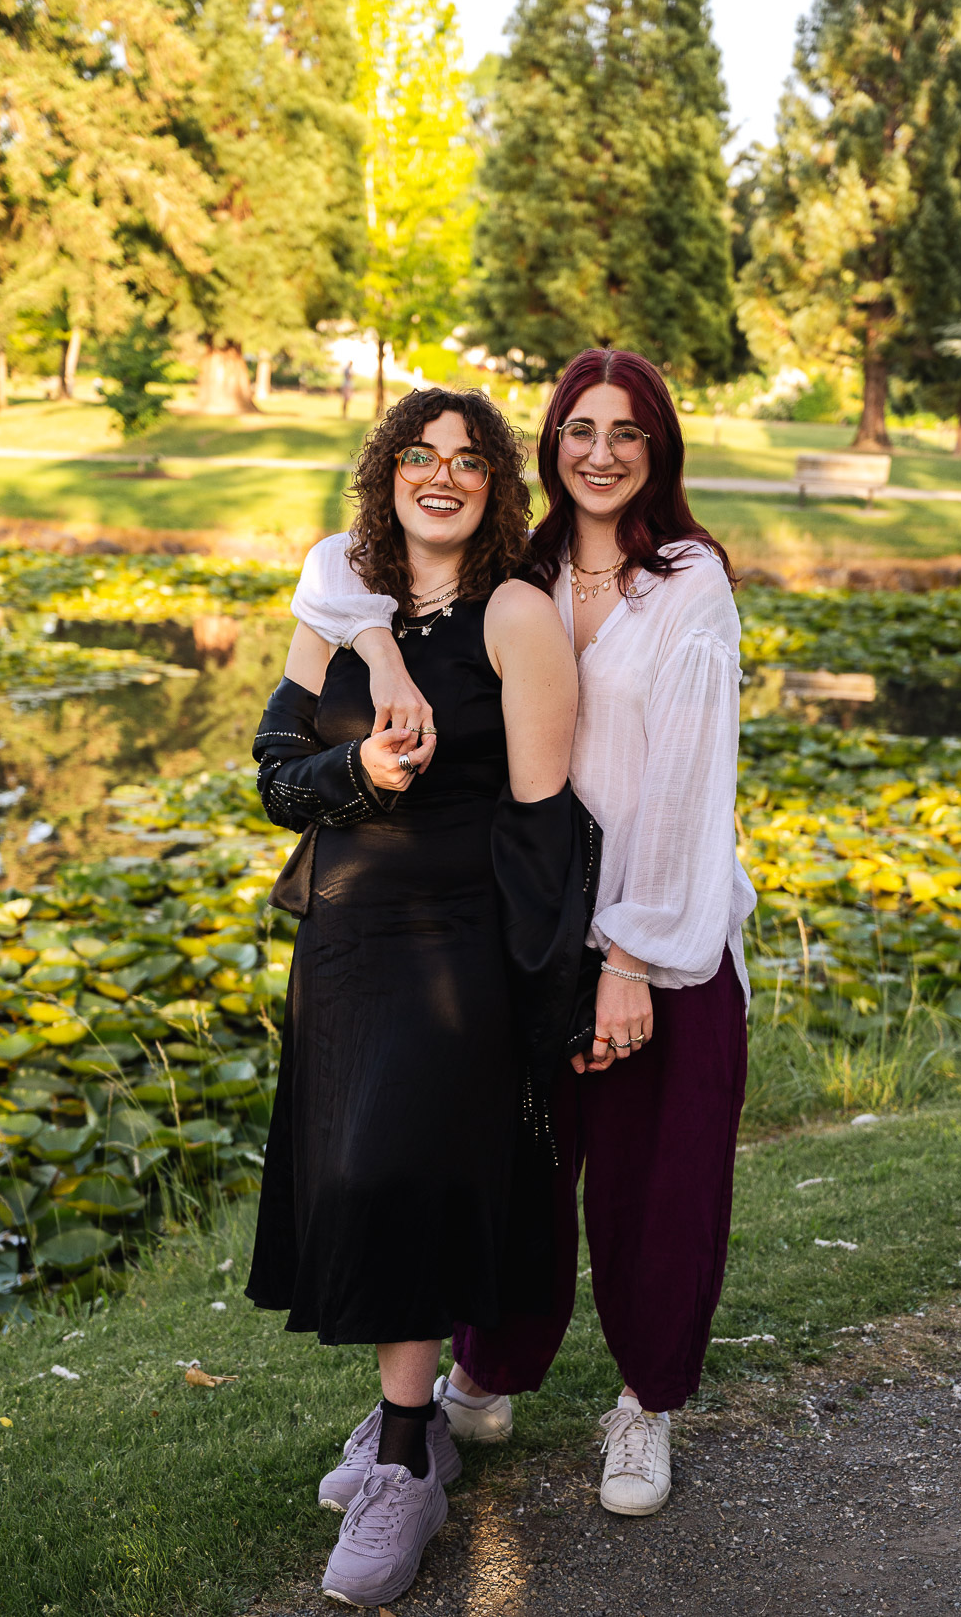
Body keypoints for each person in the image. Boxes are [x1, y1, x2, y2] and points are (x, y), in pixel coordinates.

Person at [291, 347, 755, 1520]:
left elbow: (692, 788)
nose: (600, 453)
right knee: (520, 1173)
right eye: (579, 430)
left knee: (654, 1187)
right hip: (537, 926)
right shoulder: (527, 566)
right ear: (546, 448)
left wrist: (635, 958)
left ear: (658, 451)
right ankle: (485, 1375)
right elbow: (345, 576)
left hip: (658, 934)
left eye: (627, 433)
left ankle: (645, 1405)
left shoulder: (689, 580)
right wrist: (388, 657)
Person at [246, 387, 595, 1606]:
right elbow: (278, 771)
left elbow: (547, 819)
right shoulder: (341, 600)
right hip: (344, 943)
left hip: (455, 955)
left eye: (469, 462)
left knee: (400, 1169)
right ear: (384, 473)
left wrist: (546, 987)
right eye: (419, 456)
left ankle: (404, 1458)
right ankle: (415, 1424)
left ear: (498, 487)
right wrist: (360, 767)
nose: (442, 477)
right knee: (351, 1172)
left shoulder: (514, 614)